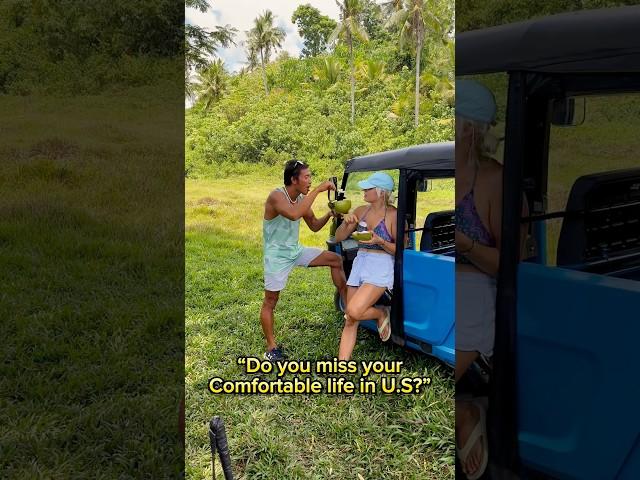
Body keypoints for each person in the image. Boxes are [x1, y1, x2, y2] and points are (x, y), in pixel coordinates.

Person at [454, 79, 529, 479]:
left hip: (477, 288)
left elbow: (511, 263)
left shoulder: (494, 180)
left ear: (468, 128)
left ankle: (466, 409)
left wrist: (465, 244)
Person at [261, 160, 347, 362]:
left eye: (311, 177)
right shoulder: (277, 196)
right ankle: (271, 348)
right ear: (293, 179)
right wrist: (317, 190)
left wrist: (330, 214)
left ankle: (349, 309)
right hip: (276, 256)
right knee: (270, 301)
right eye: (307, 177)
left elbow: (315, 226)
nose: (310, 180)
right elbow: (293, 214)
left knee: (335, 259)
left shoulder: (300, 198)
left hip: (295, 250)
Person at [333, 171, 400, 361]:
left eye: (368, 188)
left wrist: (380, 241)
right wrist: (346, 224)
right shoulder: (361, 210)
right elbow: (338, 237)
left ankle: (380, 312)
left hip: (381, 265)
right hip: (360, 262)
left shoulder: (394, 215)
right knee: (350, 317)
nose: (363, 190)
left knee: (354, 311)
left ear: (380, 192)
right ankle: (342, 367)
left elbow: (400, 250)